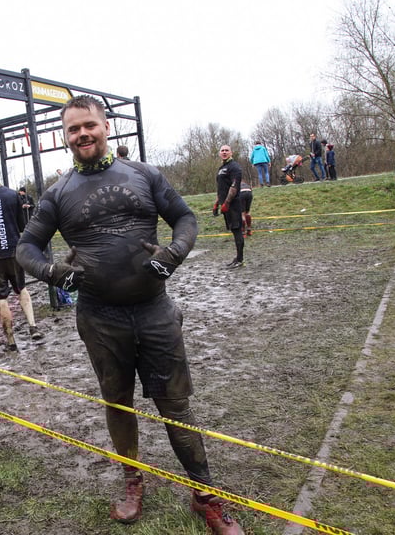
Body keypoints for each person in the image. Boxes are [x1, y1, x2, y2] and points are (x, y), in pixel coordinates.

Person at [16, 95, 244, 534]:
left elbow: (184, 217)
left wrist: (175, 253)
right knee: (116, 402)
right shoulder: (58, 192)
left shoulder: (143, 174)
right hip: (100, 319)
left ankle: (206, 496)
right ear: (64, 137)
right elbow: (26, 247)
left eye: (89, 125)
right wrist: (52, 272)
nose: (82, 134)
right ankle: (132, 482)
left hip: (155, 311)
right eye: (73, 129)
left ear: (106, 127)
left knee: (175, 404)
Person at [0, 163, 43, 351]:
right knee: (22, 288)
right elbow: (22, 225)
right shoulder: (12, 195)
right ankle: (32, 326)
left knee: (1, 297)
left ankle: (11, 340)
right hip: (14, 250)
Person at [214, 145, 245, 269]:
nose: (224, 152)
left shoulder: (234, 167)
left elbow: (234, 187)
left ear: (231, 152)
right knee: (233, 230)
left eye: (227, 150)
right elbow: (221, 188)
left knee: (237, 231)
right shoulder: (222, 168)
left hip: (234, 204)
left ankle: (240, 259)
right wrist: (217, 203)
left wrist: (227, 203)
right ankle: (237, 258)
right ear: (219, 153)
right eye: (222, 150)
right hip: (224, 204)